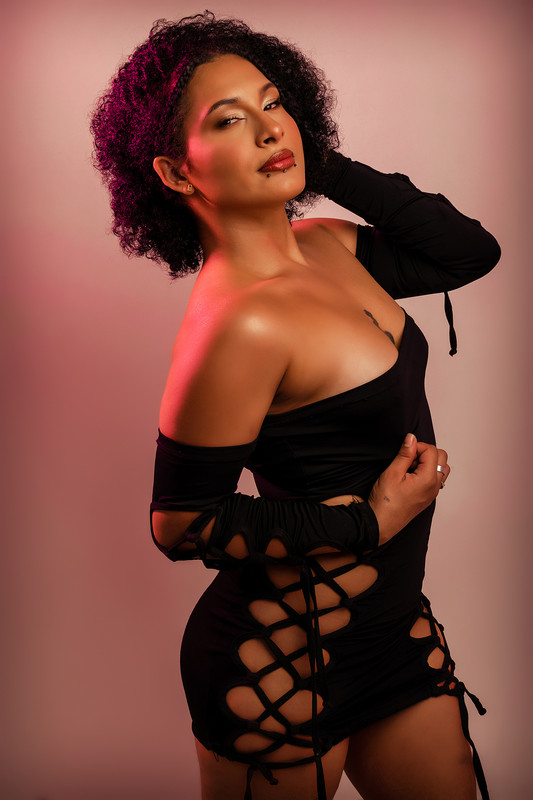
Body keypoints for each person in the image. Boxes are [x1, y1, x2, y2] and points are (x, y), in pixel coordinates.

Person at [91, 12, 500, 800]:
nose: (268, 129)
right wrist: (367, 524)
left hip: (391, 633)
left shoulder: (327, 245)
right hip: (276, 659)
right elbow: (180, 523)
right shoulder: (241, 323)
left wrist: (319, 160)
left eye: (274, 103)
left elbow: (467, 252)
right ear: (175, 173)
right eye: (229, 120)